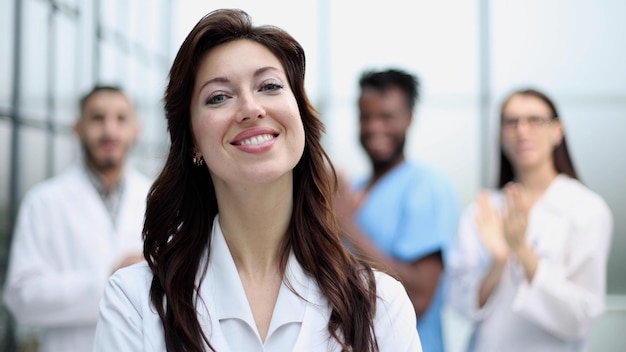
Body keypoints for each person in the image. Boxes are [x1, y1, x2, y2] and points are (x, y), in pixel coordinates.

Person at [93, 8, 422, 352]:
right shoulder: (135, 303)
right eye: (219, 96)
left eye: (270, 86)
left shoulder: (379, 303)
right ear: (192, 140)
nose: (251, 108)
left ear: (300, 118)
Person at [446, 88, 613, 352]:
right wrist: (499, 261)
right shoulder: (484, 210)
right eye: (511, 122)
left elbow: (580, 317)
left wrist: (522, 251)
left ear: (557, 130)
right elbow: (459, 305)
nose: (522, 131)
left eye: (535, 120)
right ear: (501, 135)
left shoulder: (587, 209)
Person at [2, 85, 152, 352]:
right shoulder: (43, 202)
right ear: (77, 128)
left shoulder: (157, 199)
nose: (110, 131)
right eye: (97, 118)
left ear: (136, 129)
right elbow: (21, 297)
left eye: (121, 119)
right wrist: (109, 281)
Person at [333, 68, 461, 352]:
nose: (374, 127)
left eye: (386, 117)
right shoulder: (354, 190)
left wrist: (346, 224)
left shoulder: (427, 187)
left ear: (409, 119)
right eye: (366, 117)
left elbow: (418, 298)